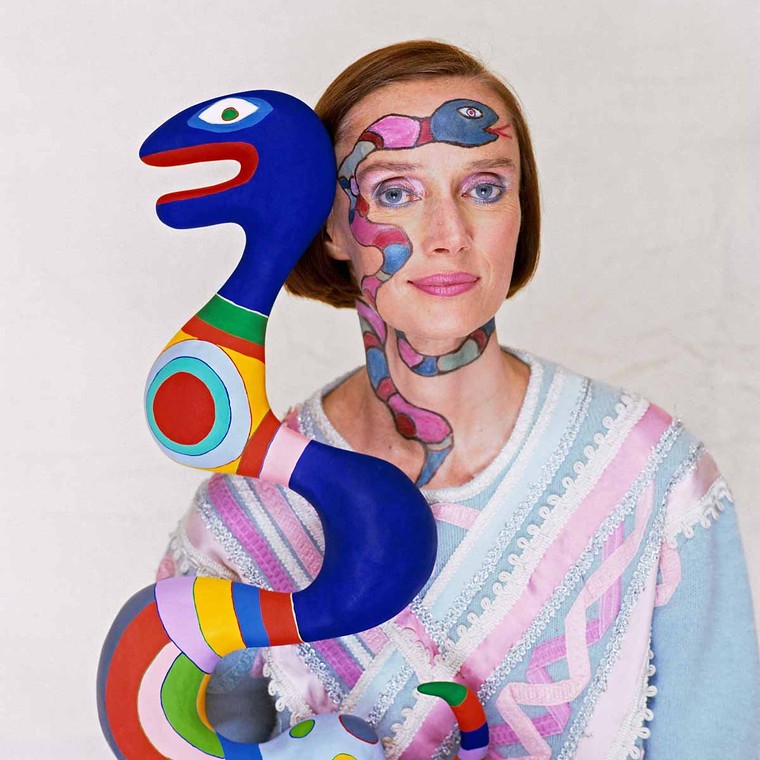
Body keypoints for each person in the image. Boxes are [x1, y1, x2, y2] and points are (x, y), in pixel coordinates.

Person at [157, 40, 759, 758]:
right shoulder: (241, 524)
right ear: (331, 226)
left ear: (521, 210)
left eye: (484, 188)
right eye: (394, 192)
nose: (449, 235)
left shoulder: (654, 479)